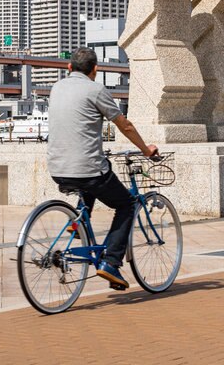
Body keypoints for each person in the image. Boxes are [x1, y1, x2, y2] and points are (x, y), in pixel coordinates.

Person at [47, 47, 158, 291]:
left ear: (69, 68)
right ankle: (110, 262)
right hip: (86, 168)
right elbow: (124, 125)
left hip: (57, 167)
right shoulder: (96, 89)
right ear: (95, 70)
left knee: (90, 183)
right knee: (127, 204)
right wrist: (145, 149)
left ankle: (78, 225)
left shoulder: (57, 88)